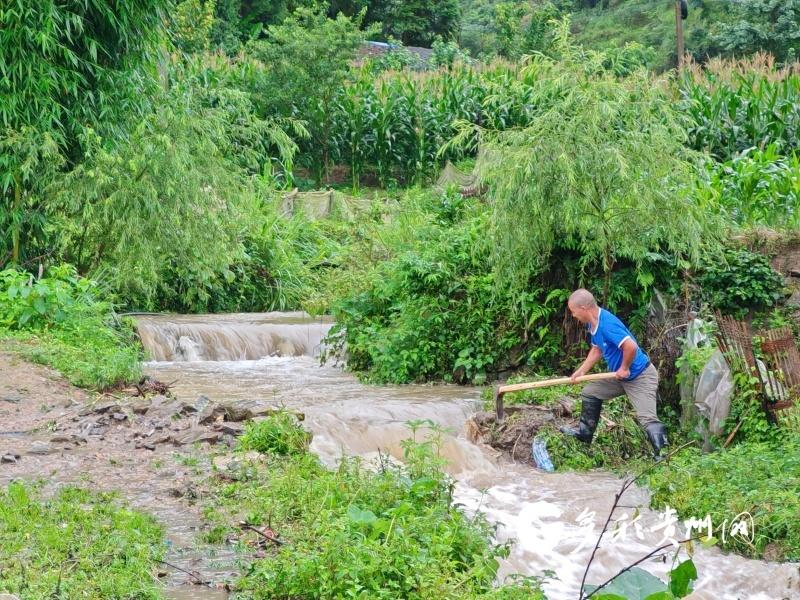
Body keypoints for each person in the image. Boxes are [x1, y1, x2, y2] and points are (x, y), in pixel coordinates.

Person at [560, 288, 668, 460]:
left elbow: (630, 346)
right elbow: (597, 350)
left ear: (583, 308)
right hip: (619, 377)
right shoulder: (592, 324)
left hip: (640, 375)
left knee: (647, 418)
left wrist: (624, 368)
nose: (573, 316)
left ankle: (663, 455)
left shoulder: (607, 324)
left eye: (573, 312)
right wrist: (581, 371)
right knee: (590, 392)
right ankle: (584, 435)